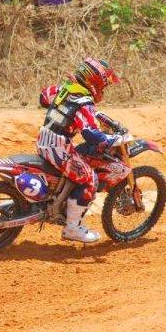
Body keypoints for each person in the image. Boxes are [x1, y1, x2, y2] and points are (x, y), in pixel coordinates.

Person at [37, 58, 123, 243]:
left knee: (78, 164)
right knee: (90, 180)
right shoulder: (84, 102)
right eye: (103, 85)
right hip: (58, 148)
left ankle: (59, 200)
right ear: (94, 82)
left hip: (43, 141)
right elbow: (90, 134)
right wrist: (111, 139)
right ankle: (72, 229)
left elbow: (43, 98)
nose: (103, 90)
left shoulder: (64, 89)